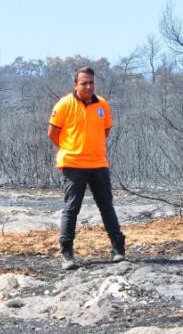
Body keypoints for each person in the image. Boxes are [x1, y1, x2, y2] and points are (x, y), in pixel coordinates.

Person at [47, 67, 126, 270]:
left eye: (91, 82)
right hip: (73, 164)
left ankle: (118, 249)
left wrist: (93, 147)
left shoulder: (102, 104)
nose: (88, 86)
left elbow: (105, 129)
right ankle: (67, 253)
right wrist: (70, 149)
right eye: (84, 83)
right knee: (71, 209)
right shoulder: (64, 104)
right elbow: (53, 132)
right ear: (76, 84)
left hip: (99, 163)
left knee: (106, 206)